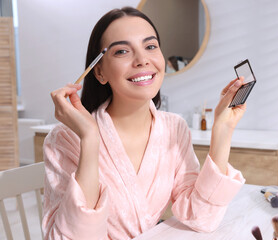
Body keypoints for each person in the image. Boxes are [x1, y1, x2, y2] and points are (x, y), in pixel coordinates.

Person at [43, 7, 246, 240]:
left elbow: (201, 216)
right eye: (122, 51)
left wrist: (223, 129)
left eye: (150, 46)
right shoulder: (65, 139)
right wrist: (89, 138)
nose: (142, 60)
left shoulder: (174, 129)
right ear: (99, 72)